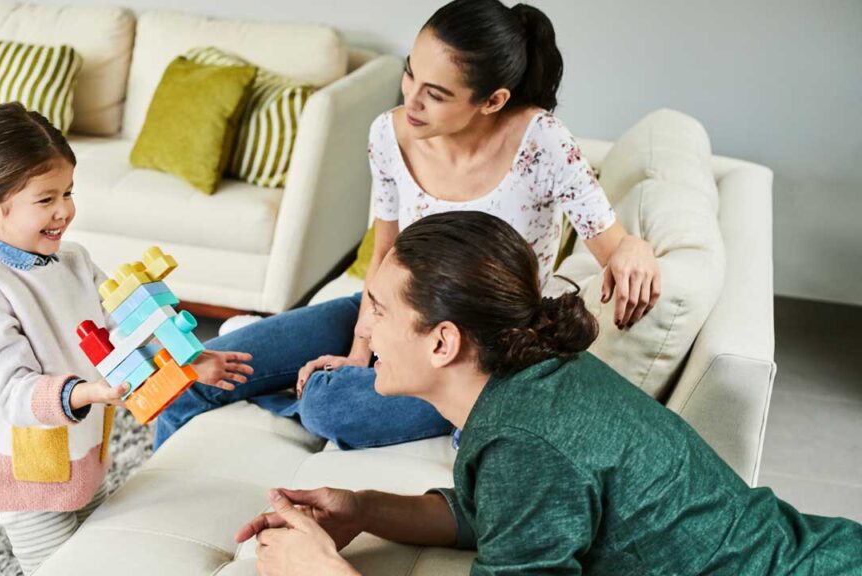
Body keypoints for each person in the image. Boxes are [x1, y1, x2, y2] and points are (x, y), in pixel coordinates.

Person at [153, 0, 661, 452]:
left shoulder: (543, 141)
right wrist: (359, 351)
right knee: (190, 372)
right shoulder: (388, 133)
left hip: (473, 354)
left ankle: (303, 389)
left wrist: (632, 247)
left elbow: (612, 246)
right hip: (391, 307)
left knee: (327, 406)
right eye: (409, 74)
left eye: (436, 94)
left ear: (493, 101)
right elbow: (385, 252)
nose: (411, 101)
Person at [235, 211, 862, 576]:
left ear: (443, 343)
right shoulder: (530, 384)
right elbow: (506, 513)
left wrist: (323, 571)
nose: (365, 331)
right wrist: (364, 508)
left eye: (378, 310)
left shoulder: (526, 439)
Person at [0, 103, 252, 574]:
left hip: (86, 458)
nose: (64, 211)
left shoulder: (73, 260)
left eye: (68, 192)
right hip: (31, 481)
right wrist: (91, 392)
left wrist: (185, 361)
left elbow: (123, 329)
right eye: (46, 199)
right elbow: (12, 391)